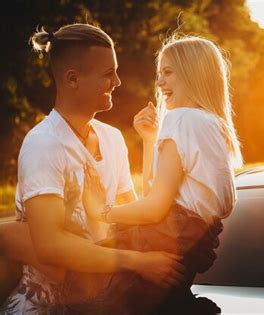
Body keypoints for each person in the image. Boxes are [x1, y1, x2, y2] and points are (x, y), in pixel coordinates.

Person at [0, 23, 186, 314]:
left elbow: (130, 218)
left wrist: (150, 144)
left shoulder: (113, 139)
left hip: (103, 302)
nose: (117, 81)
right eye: (108, 74)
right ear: (72, 79)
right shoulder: (43, 145)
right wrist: (137, 262)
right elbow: (49, 246)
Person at [78, 34, 243, 313]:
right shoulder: (213, 124)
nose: (159, 82)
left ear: (193, 73)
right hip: (186, 244)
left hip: (165, 239)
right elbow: (155, 199)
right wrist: (149, 139)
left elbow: (154, 210)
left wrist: (101, 211)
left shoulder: (182, 119)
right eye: (159, 73)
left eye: (167, 72)